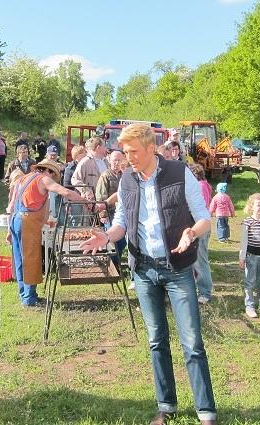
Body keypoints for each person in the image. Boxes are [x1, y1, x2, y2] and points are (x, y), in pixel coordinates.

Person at [80, 123, 217, 425]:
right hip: (143, 270)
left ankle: (206, 412)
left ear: (151, 148)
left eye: (133, 152)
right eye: (125, 152)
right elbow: (121, 222)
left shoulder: (179, 173)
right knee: (157, 340)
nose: (128, 158)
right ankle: (166, 406)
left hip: (178, 269)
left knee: (192, 341)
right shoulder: (127, 180)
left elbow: (204, 218)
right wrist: (106, 237)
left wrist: (191, 233)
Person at [7, 159, 86, 307]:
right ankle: (29, 299)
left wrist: (44, 221)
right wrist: (85, 202)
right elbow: (65, 192)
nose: (52, 177)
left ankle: (25, 295)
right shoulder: (44, 179)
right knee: (30, 259)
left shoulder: (23, 178)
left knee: (20, 260)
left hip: (17, 219)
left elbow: (21, 204)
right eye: (53, 173)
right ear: (48, 171)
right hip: (26, 222)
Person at [95, 150, 126, 266]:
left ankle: (116, 263)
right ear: (109, 161)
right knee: (112, 241)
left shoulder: (124, 174)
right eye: (115, 160)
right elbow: (101, 197)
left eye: (119, 160)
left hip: (121, 213)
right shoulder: (106, 175)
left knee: (122, 241)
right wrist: (103, 215)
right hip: (110, 213)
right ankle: (112, 265)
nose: (117, 163)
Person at [189, 164, 214, 304]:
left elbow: (200, 207)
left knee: (200, 260)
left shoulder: (200, 186)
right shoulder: (203, 184)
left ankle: (205, 292)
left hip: (200, 226)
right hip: (198, 226)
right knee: (196, 260)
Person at [71, 136, 109, 201]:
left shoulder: (106, 161)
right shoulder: (86, 161)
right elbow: (75, 180)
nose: (106, 148)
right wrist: (86, 190)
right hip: (91, 203)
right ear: (98, 148)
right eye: (104, 146)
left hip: (106, 201)